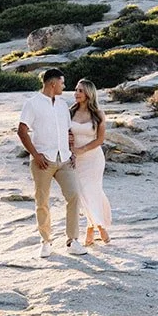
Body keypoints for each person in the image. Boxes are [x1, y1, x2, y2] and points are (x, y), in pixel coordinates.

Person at [17, 68, 84, 257]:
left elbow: (68, 131)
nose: (64, 86)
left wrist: (71, 151)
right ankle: (45, 241)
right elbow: (22, 131)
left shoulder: (63, 105)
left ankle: (72, 241)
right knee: (42, 201)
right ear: (53, 83)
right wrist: (35, 155)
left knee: (74, 195)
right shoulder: (32, 104)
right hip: (43, 161)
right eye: (62, 83)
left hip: (64, 159)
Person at [69, 78, 111, 246]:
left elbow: (100, 139)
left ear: (88, 93)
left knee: (92, 191)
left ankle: (94, 228)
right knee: (82, 193)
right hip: (74, 159)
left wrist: (82, 149)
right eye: (76, 90)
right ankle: (95, 226)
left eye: (80, 91)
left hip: (93, 158)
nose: (76, 93)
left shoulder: (98, 114)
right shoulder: (70, 112)